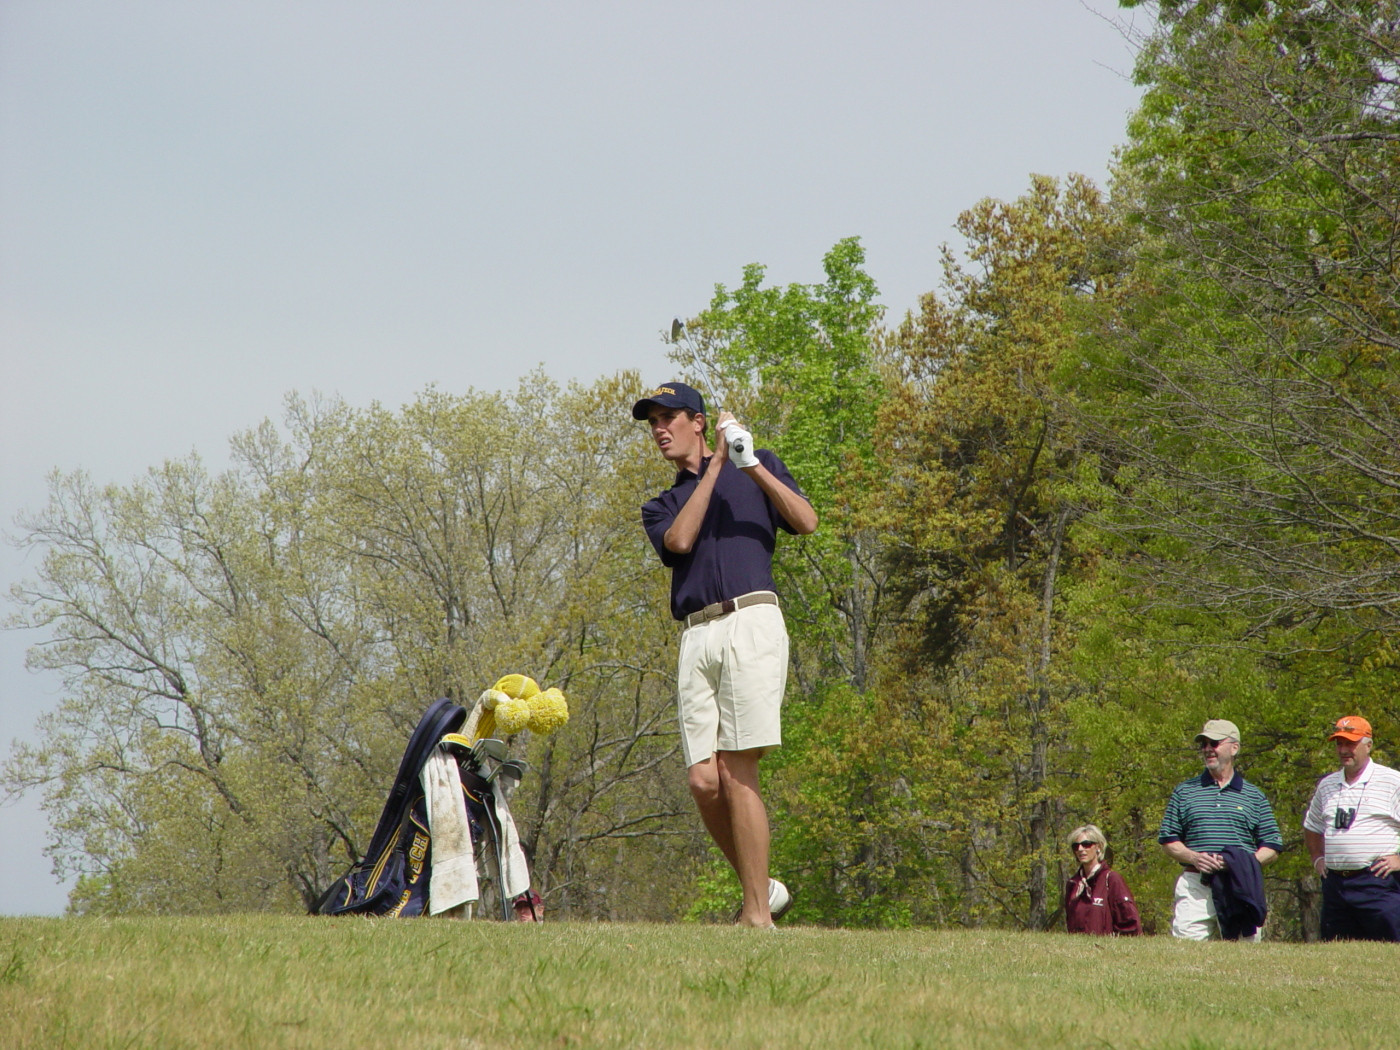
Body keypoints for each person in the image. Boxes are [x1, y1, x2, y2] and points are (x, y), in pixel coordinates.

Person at [633, 381, 817, 928]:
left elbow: (805, 521)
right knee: (703, 780)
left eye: (669, 418)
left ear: (698, 421)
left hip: (751, 621)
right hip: (697, 634)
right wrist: (715, 470)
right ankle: (763, 890)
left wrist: (749, 461)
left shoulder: (754, 467)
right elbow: (681, 542)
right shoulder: (662, 504)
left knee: (738, 770)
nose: (660, 429)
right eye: (653, 422)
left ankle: (756, 915)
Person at [1158, 719, 1283, 940]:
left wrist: (1241, 864)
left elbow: (1272, 845)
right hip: (1196, 883)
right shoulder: (1184, 791)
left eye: (1214, 743)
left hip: (1240, 885)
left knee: (1244, 957)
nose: (1207, 749)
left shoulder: (1254, 796)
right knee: (1187, 954)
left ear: (1234, 748)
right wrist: (1193, 857)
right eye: (1203, 744)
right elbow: (1168, 839)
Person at [1302, 715, 1400, 941]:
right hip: (1335, 886)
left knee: (1388, 950)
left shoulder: (1392, 782)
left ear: (1368, 745)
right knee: (1337, 954)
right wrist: (1318, 858)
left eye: (1350, 743)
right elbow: (1312, 825)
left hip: (1376, 882)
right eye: (1339, 743)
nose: (1344, 750)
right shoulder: (1327, 785)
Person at [1063, 824, 1141, 935]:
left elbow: (1130, 924)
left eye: (1086, 844)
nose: (1080, 849)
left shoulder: (1111, 880)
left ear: (1098, 847)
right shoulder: (1073, 884)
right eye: (1076, 846)